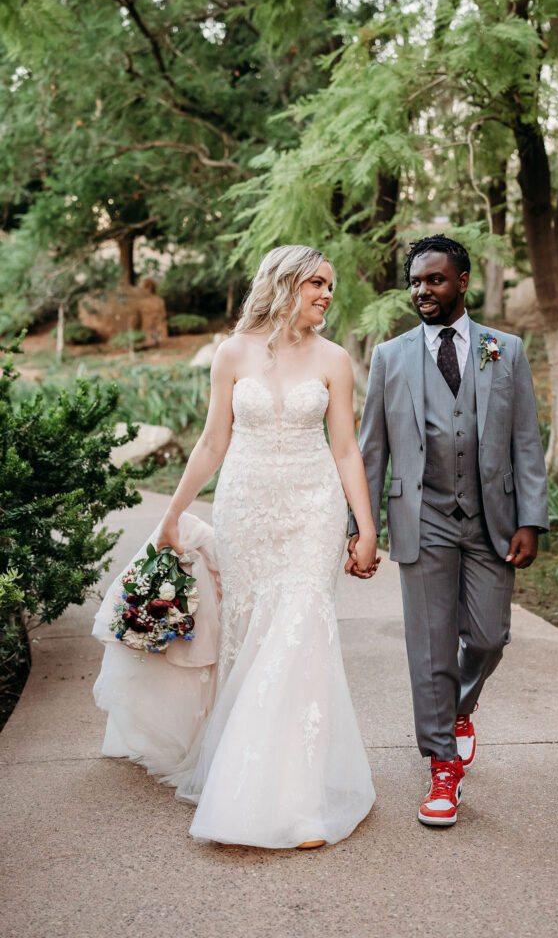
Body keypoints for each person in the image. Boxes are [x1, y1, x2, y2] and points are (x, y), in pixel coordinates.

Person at [94, 244, 379, 849]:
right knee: (251, 636)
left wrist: (366, 525)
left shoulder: (335, 360)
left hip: (312, 511)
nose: (328, 294)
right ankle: (244, 772)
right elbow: (211, 442)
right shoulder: (232, 353)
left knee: (301, 630)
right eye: (316, 284)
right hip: (246, 510)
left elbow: (347, 450)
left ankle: (297, 802)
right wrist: (172, 514)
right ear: (284, 284)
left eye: (330, 285)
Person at [348, 234, 548, 827]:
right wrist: (363, 530)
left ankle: (460, 709)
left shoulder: (504, 350)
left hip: (492, 518)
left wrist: (532, 519)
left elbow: (526, 441)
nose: (421, 291)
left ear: (462, 282)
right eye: (414, 281)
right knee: (430, 646)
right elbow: (371, 452)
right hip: (423, 516)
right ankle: (441, 768)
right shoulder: (391, 357)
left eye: (433, 280)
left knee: (488, 638)